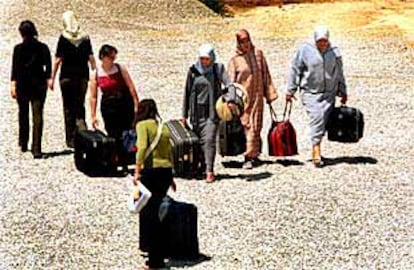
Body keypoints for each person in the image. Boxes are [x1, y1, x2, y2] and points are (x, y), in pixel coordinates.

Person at [286, 26, 347, 167]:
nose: (322, 44)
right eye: (320, 41)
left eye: (325, 41)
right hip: (310, 92)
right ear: (315, 39)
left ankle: (317, 143)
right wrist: (291, 90)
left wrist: (343, 90)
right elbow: (295, 69)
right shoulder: (305, 50)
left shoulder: (334, 52)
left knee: (324, 121)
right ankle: (316, 150)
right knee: (317, 117)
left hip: (329, 93)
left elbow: (339, 72)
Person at [133, 99, 176, 270]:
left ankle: (154, 261)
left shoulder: (143, 125)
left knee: (150, 216)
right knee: (158, 212)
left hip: (151, 172)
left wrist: (137, 170)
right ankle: (159, 251)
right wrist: (171, 176)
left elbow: (142, 147)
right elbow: (170, 151)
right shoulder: (163, 127)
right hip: (165, 173)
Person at [228, 29, 278, 169]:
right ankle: (248, 157)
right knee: (247, 126)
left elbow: (265, 75)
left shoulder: (258, 54)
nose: (246, 45)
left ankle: (254, 154)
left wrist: (269, 94)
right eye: (242, 42)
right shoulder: (235, 61)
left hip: (258, 98)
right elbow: (230, 82)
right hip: (243, 101)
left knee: (256, 126)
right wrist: (230, 100)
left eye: (247, 41)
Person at [182, 44, 232, 183]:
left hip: (212, 112)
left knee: (209, 140)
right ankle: (201, 168)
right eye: (202, 58)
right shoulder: (193, 71)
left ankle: (210, 170)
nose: (205, 61)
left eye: (207, 59)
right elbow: (187, 92)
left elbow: (229, 85)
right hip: (196, 113)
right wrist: (184, 114)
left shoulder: (218, 69)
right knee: (198, 142)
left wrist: (231, 100)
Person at [49, 11, 96, 148]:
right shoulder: (85, 37)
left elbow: (58, 60)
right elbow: (91, 58)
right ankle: (83, 135)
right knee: (80, 107)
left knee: (68, 108)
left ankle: (71, 139)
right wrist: (95, 74)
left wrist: (51, 77)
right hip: (82, 77)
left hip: (66, 77)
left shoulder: (63, 38)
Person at [90, 44, 139, 171]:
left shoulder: (120, 68)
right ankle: (115, 159)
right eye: (110, 57)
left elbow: (131, 86)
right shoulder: (96, 73)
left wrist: (136, 104)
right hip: (108, 104)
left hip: (124, 102)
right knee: (112, 132)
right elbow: (93, 96)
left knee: (127, 131)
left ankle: (127, 159)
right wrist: (93, 115)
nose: (113, 59)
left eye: (114, 56)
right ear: (103, 57)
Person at [10, 20, 52, 159]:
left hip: (23, 85)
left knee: (23, 113)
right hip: (38, 85)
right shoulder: (43, 47)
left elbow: (14, 69)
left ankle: (23, 142)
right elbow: (48, 66)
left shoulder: (18, 49)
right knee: (38, 116)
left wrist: (13, 85)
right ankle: (37, 148)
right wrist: (47, 79)